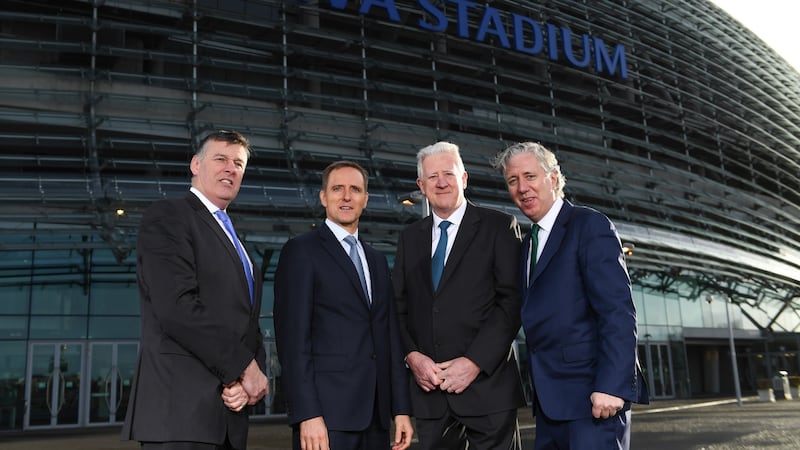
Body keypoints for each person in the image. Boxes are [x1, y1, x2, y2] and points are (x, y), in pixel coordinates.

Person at [491, 142, 649, 450]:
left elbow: (617, 312)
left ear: (553, 178)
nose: (522, 188)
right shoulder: (526, 247)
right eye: (513, 181)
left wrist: (611, 386)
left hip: (594, 401)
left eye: (530, 176)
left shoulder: (589, 226)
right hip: (551, 407)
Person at [122, 130, 269, 450]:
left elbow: (247, 323)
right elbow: (177, 307)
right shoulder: (168, 216)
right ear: (195, 164)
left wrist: (246, 381)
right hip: (180, 415)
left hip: (228, 416)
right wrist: (244, 366)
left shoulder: (238, 243)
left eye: (239, 164)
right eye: (220, 159)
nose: (230, 168)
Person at [392, 142, 526, 450]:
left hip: (488, 391)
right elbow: (398, 308)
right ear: (421, 186)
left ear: (464, 178)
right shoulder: (410, 238)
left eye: (449, 173)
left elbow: (512, 302)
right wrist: (412, 356)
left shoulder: (499, 226)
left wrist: (474, 362)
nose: (441, 182)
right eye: (433, 176)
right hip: (431, 397)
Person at [273, 161, 414, 450]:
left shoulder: (376, 260)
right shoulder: (301, 251)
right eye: (338, 189)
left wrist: (400, 409)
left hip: (376, 418)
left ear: (365, 199)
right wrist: (307, 413)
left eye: (355, 190)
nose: (346, 197)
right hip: (326, 418)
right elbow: (293, 341)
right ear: (324, 197)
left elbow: (389, 338)